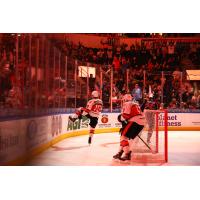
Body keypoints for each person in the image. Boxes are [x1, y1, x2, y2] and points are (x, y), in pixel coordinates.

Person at [113, 94, 145, 161]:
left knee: (123, 137)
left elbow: (126, 115)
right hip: (141, 123)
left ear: (125, 99)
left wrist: (120, 118)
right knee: (126, 138)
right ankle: (120, 153)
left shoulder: (127, 104)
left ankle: (127, 154)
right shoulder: (135, 104)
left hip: (134, 121)